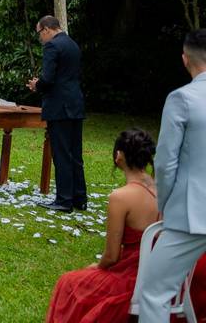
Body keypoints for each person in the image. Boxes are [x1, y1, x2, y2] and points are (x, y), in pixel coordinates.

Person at [47, 129, 160, 322]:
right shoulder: (163, 189)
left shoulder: (121, 197)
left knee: (68, 282)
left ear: (118, 156)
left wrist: (96, 266)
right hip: (160, 274)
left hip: (132, 278)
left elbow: (111, 257)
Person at [138, 29, 206, 322]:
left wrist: (163, 205)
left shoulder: (182, 98)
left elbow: (166, 162)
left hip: (192, 211)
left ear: (184, 59)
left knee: (154, 292)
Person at [27, 15, 87, 212]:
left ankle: (64, 199)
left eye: (39, 34)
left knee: (61, 153)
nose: (41, 38)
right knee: (75, 153)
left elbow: (48, 78)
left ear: (46, 29)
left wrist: (37, 85)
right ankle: (80, 197)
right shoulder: (72, 44)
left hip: (59, 106)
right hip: (75, 104)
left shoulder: (52, 46)